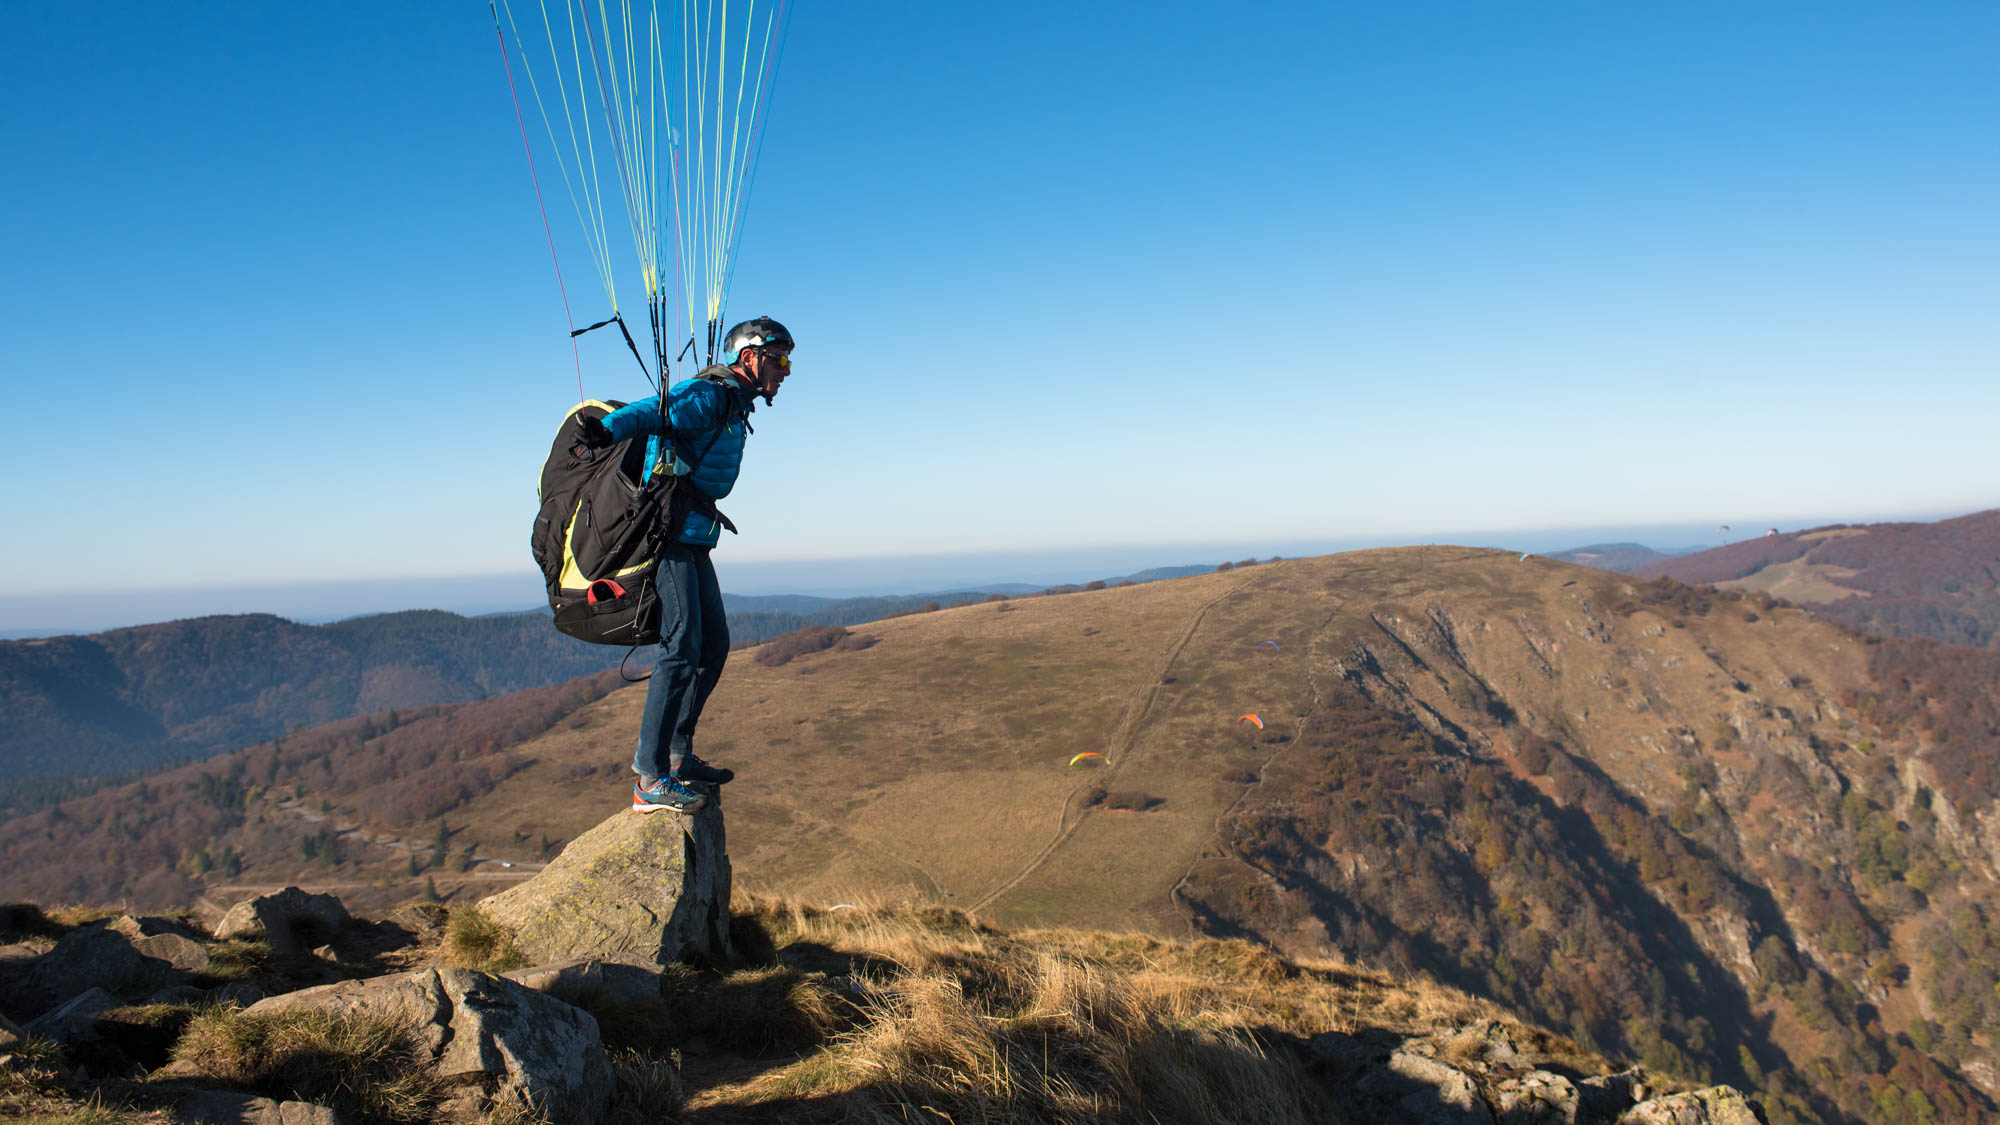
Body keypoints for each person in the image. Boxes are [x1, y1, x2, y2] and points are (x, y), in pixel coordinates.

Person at [577, 316, 795, 814]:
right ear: (751, 357)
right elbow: (654, 411)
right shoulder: (711, 396)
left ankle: (678, 755)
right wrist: (605, 429)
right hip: (669, 534)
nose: (785, 370)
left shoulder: (735, 403)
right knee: (681, 647)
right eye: (779, 359)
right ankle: (649, 780)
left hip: (695, 535)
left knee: (714, 644)